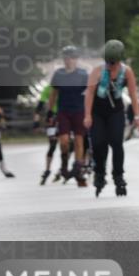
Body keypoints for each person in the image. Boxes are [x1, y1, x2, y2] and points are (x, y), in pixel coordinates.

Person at [83, 40, 139, 197]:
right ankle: (100, 174)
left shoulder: (126, 71)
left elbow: (134, 94)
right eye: (108, 61)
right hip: (98, 113)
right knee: (98, 143)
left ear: (120, 59)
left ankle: (118, 175)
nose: (110, 65)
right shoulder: (97, 71)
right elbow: (89, 93)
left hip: (116, 112)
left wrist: (137, 115)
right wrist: (87, 115)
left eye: (113, 62)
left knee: (116, 143)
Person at [47, 45, 89, 186]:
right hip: (63, 111)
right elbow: (53, 94)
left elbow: (90, 94)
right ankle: (64, 163)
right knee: (64, 142)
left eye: (71, 57)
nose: (68, 60)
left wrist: (90, 112)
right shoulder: (59, 74)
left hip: (79, 111)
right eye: (66, 58)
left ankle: (78, 169)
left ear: (76, 59)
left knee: (78, 141)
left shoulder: (83, 75)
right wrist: (50, 112)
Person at [34, 83, 59, 185]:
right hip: (52, 117)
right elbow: (39, 106)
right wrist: (35, 122)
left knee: (68, 143)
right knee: (52, 144)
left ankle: (63, 168)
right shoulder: (47, 88)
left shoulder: (66, 87)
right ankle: (47, 169)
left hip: (65, 116)